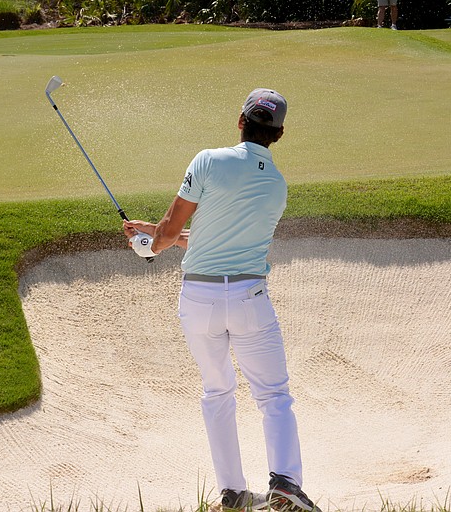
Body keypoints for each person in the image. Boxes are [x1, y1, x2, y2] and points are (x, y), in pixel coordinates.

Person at [123, 89, 321, 512]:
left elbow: (173, 227)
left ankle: (232, 493)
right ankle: (285, 483)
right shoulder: (277, 185)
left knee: (217, 392)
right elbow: (229, 239)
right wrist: (158, 236)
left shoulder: (208, 160)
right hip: (250, 299)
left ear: (239, 121)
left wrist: (149, 243)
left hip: (199, 300)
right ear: (279, 134)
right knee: (273, 396)